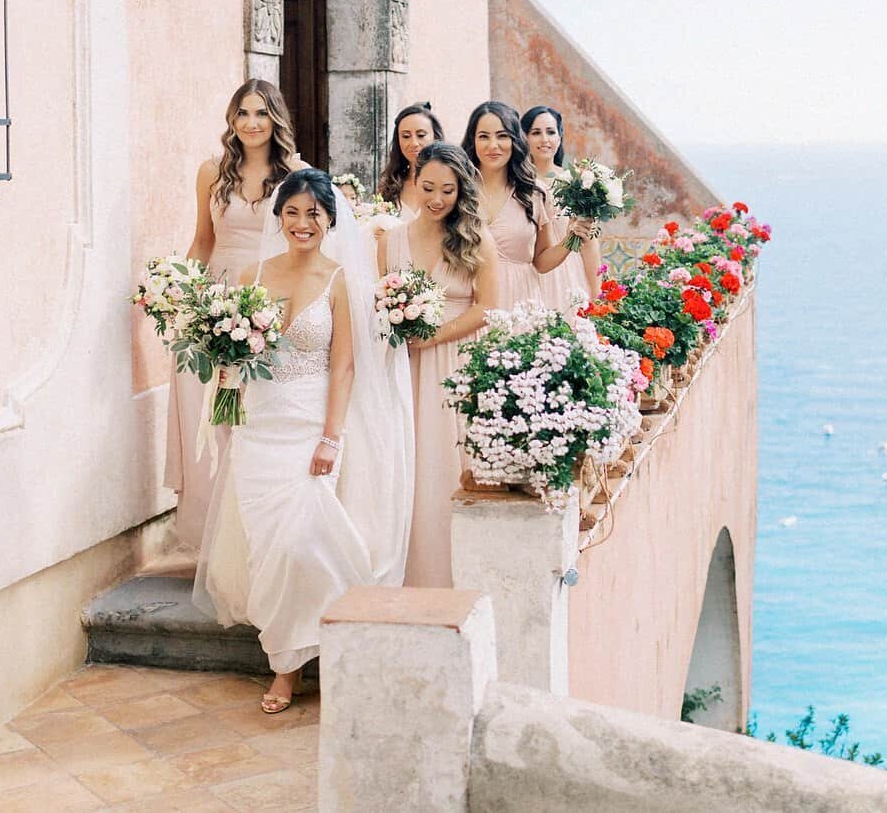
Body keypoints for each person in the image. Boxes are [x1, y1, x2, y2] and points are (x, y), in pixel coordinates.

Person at [194, 169, 413, 713]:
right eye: (292, 212)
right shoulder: (252, 273)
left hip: (311, 430)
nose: (302, 223)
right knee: (268, 550)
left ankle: (348, 643)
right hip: (257, 431)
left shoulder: (341, 280)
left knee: (304, 544)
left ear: (330, 220)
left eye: (313, 213)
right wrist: (227, 403)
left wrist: (331, 440)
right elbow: (231, 360)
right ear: (279, 219)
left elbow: (343, 370)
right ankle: (284, 668)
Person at [164, 79, 299, 550]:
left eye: (261, 113)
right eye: (243, 113)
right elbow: (203, 240)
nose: (252, 123)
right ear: (231, 119)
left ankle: (254, 532)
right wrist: (178, 293)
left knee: (255, 416)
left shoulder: (295, 174)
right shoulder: (211, 173)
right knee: (217, 415)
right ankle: (214, 537)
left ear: (276, 119)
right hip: (215, 305)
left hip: (266, 305)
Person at [377, 143, 499, 587]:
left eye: (447, 190)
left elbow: (487, 307)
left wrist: (430, 338)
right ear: (413, 180)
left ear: (461, 189)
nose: (436, 198)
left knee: (447, 465)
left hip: (454, 363)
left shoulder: (476, 238)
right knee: (406, 464)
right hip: (402, 368)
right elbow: (376, 300)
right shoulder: (390, 241)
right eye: (428, 187)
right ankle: (406, 573)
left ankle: (456, 576)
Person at [461, 101, 596, 309]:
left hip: (520, 305)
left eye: (502, 135)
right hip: (467, 304)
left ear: (515, 140)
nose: (493, 145)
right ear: (473, 141)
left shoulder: (534, 193)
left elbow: (541, 262)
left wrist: (571, 239)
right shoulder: (458, 191)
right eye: (484, 136)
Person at [521, 104, 600, 307]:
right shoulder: (517, 183)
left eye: (550, 132)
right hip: (527, 274)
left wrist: (596, 293)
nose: (544, 139)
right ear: (524, 138)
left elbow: (589, 242)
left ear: (560, 137)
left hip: (569, 273)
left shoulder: (577, 180)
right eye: (536, 132)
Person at [375, 102, 444, 221]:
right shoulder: (389, 185)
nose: (414, 143)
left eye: (421, 135)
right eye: (406, 136)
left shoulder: (451, 182)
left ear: (435, 137)